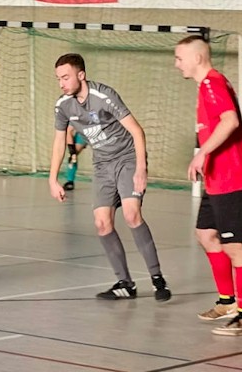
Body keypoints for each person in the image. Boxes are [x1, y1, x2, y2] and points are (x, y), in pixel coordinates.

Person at [49, 53, 172, 302]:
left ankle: (157, 277)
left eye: (65, 77)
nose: (61, 83)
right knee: (102, 223)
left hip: (127, 158)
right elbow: (59, 141)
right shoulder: (63, 105)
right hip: (102, 164)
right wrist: (52, 179)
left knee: (131, 213)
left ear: (81, 75)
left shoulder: (104, 96)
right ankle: (125, 283)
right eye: (58, 78)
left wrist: (141, 169)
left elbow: (137, 131)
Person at [173, 35, 242, 336]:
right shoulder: (206, 86)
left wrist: (202, 154)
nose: (176, 64)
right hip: (216, 179)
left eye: (179, 58)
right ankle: (227, 301)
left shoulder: (212, 83)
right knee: (206, 234)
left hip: (232, 177)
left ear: (197, 58)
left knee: (233, 245)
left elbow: (230, 120)